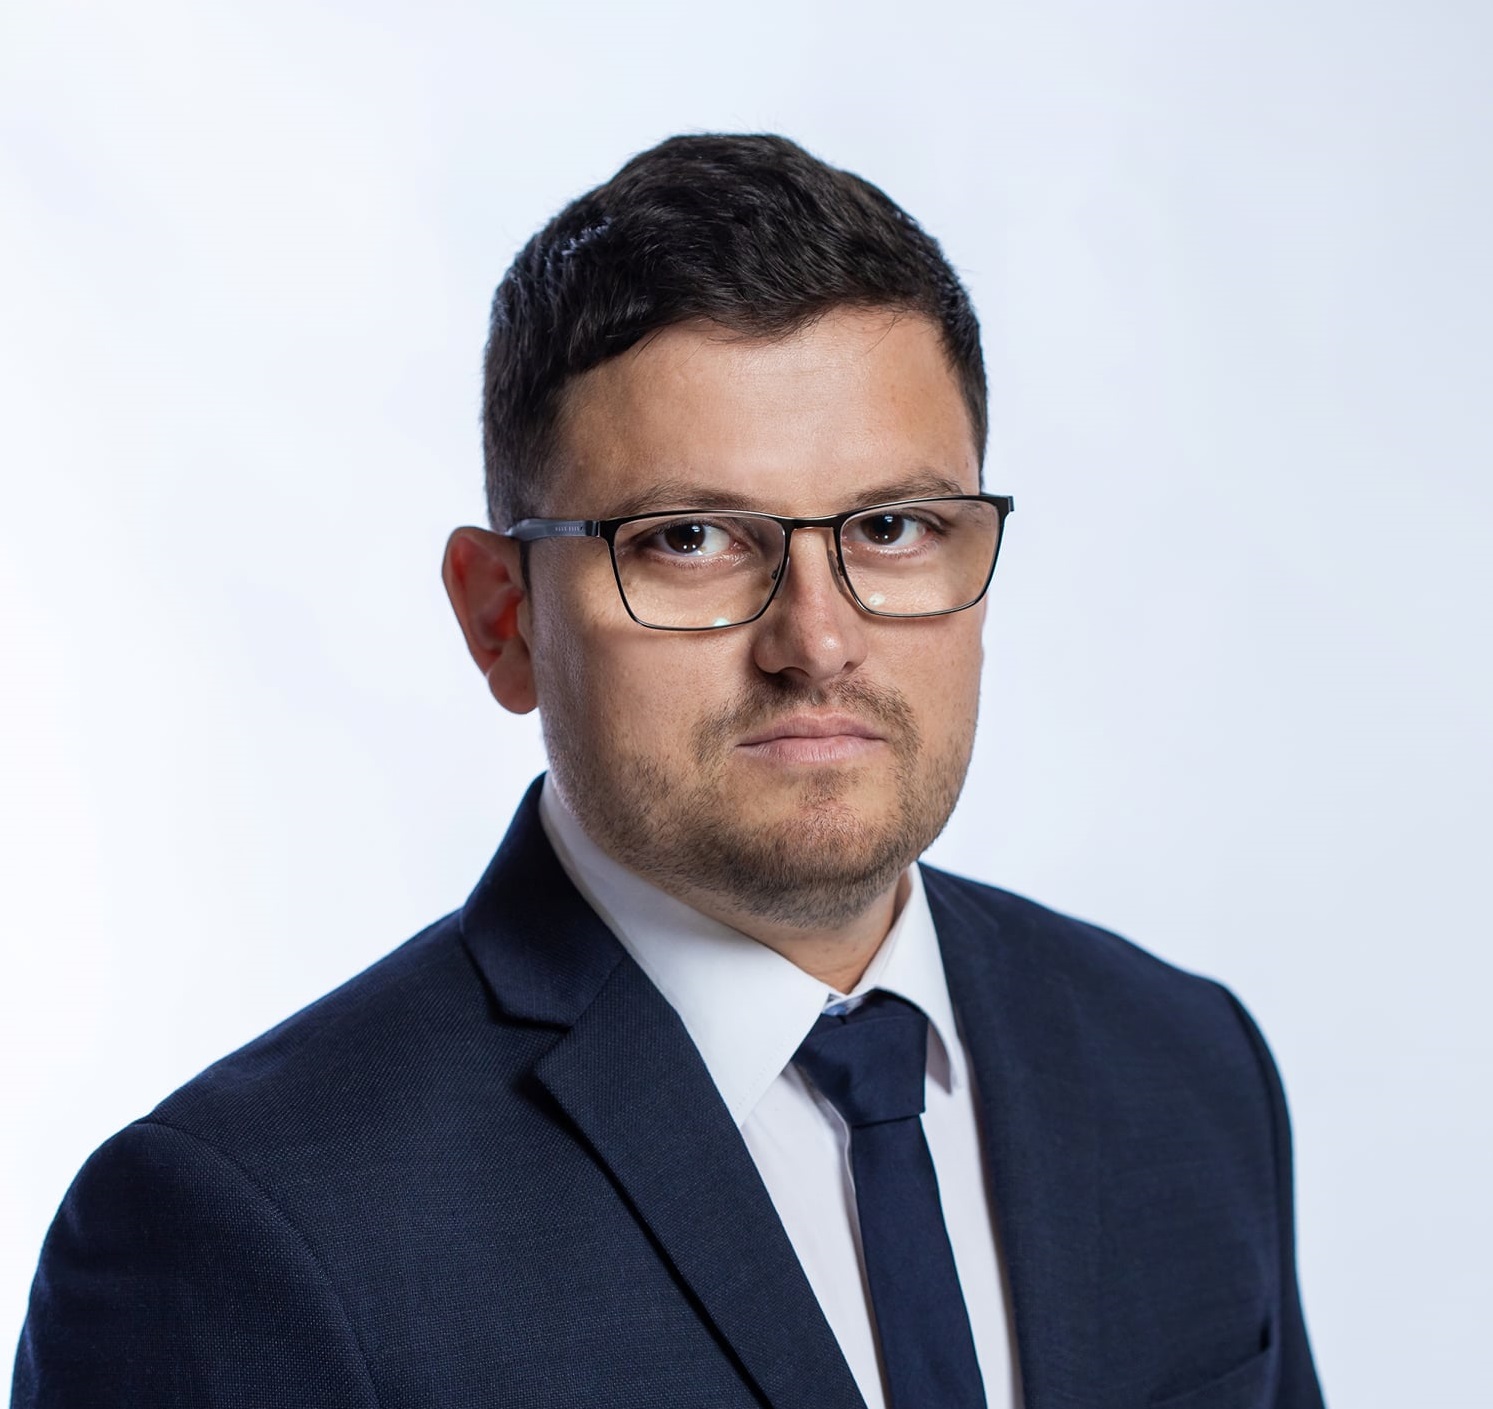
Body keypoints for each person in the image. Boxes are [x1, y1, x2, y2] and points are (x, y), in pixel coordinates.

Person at [12, 134, 1324, 1409]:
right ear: (502, 617)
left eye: (893, 525)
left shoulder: (1184, 1067)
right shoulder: (241, 1236)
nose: (817, 640)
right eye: (689, 538)